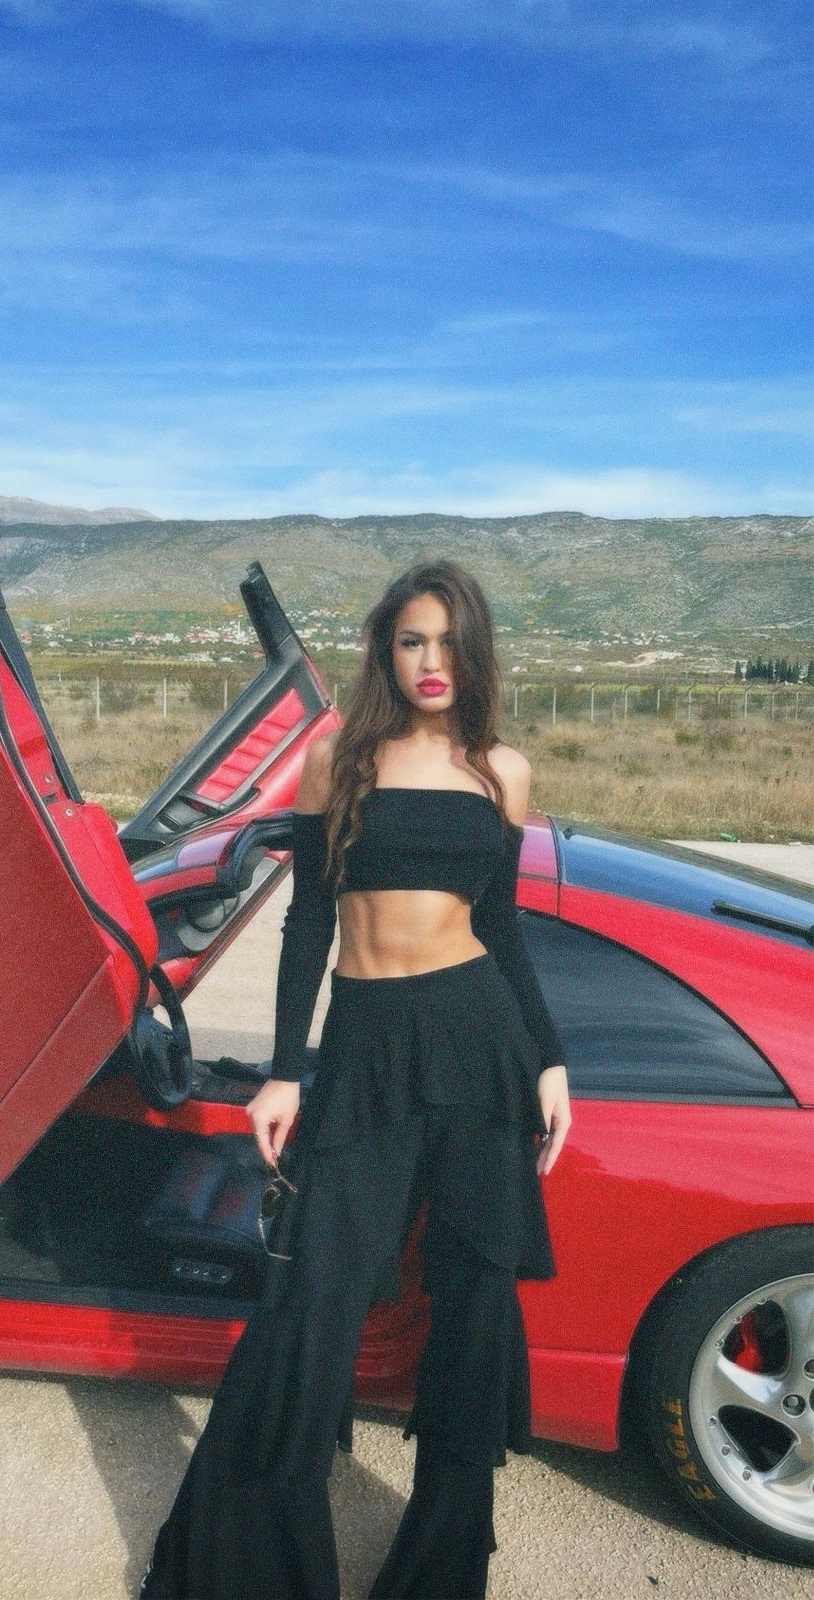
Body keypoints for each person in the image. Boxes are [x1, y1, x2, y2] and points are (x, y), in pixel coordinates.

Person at [139, 558, 572, 1600]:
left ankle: (440, 1573)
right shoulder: (338, 760)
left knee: (472, 1300)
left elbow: (503, 926)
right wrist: (286, 1070)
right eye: (412, 639)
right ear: (386, 649)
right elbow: (308, 921)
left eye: (450, 641)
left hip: (477, 1041)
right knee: (312, 1294)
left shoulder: (499, 771)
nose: (432, 661)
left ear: (475, 653)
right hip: (367, 1043)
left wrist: (550, 1057)